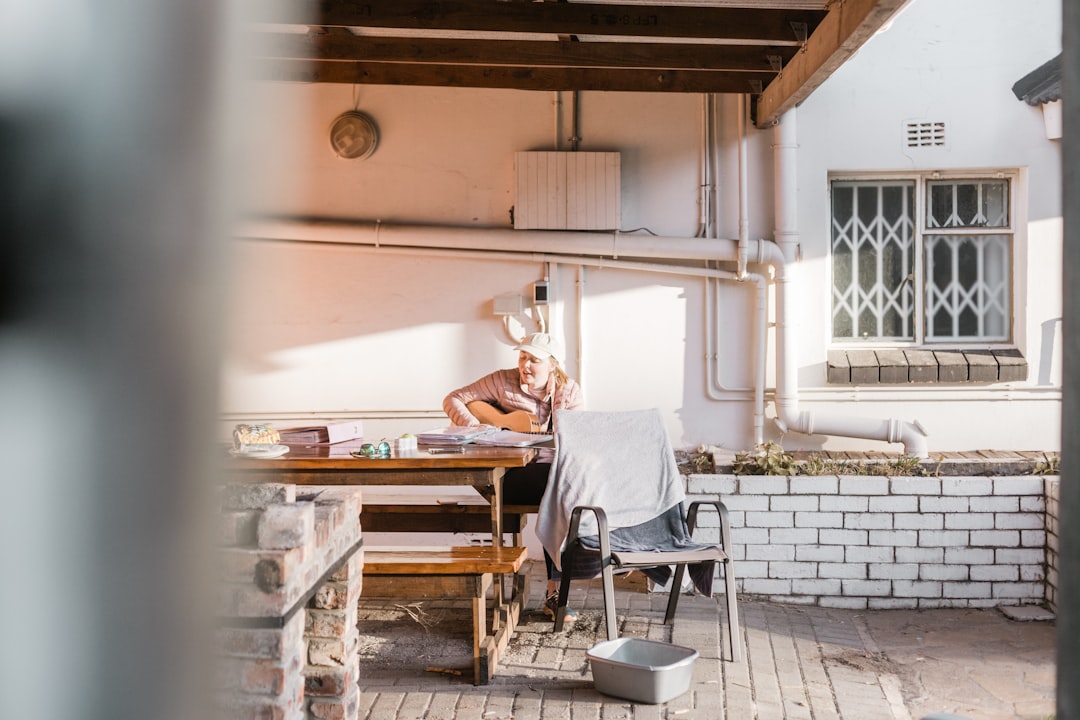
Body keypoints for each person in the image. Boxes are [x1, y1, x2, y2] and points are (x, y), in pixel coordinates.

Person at [443, 332, 584, 622]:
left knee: (562, 489)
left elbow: (578, 443)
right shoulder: (501, 381)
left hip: (548, 476)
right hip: (503, 475)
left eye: (534, 359)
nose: (525, 365)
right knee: (561, 492)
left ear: (552, 365)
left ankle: (557, 590)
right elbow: (453, 398)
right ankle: (557, 592)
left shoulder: (568, 392)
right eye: (522, 357)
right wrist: (480, 430)